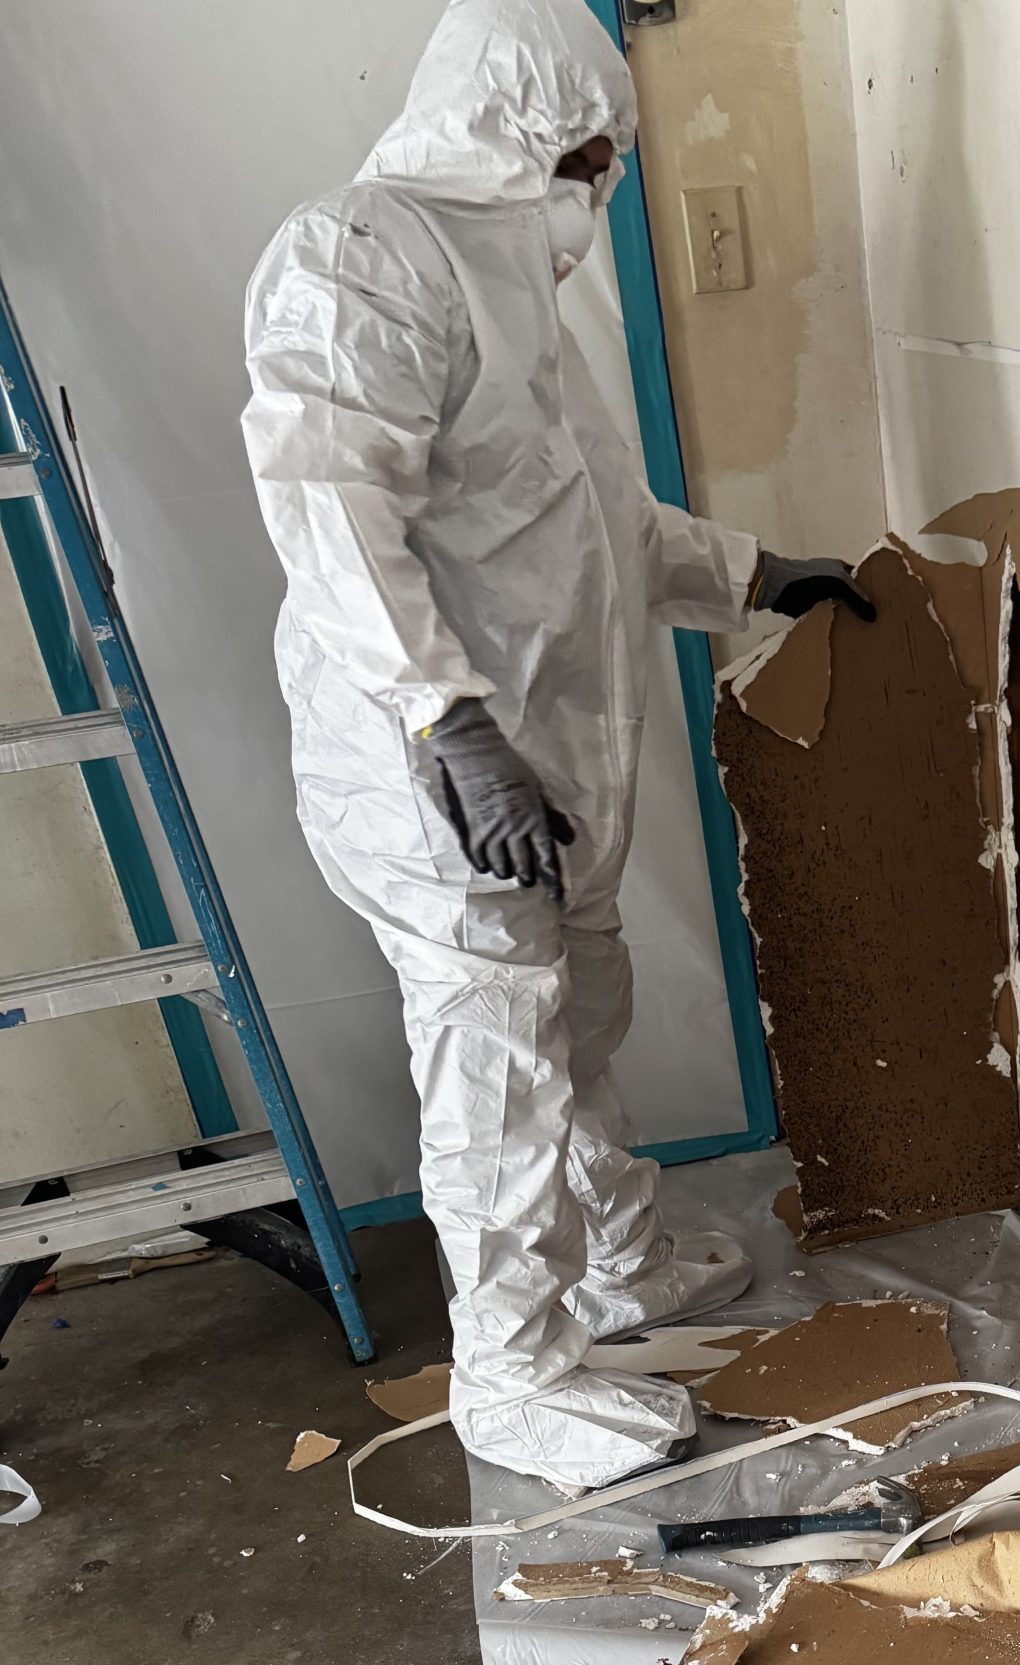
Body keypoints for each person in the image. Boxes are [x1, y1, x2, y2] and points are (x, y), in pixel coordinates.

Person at [241, 0, 870, 1489]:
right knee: (501, 1061)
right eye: (585, 154)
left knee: (578, 1011)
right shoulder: (363, 255)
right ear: (510, 135)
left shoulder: (518, 290)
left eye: (611, 155)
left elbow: (596, 524)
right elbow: (329, 510)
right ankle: (516, 1376)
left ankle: (612, 1266)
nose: (604, 183)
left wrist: (762, 575)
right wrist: (448, 723)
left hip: (545, 760)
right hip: (441, 773)